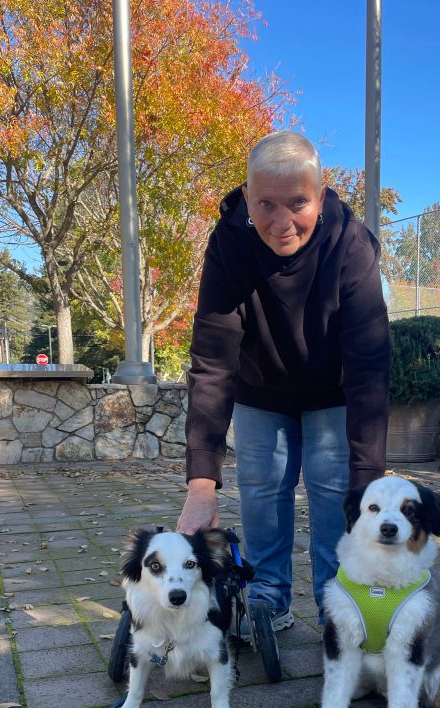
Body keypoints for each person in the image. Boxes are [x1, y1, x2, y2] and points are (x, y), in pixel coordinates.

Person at [177, 130, 390, 640]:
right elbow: (212, 360)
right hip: (260, 391)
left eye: (298, 203)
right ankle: (269, 597)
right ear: (248, 197)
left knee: (334, 490)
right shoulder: (229, 242)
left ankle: (336, 603)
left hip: (333, 393)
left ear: (320, 195)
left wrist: (368, 478)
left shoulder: (351, 245)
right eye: (265, 204)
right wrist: (201, 483)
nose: (281, 222)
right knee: (263, 488)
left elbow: (369, 364)